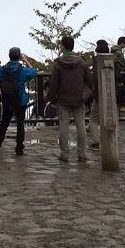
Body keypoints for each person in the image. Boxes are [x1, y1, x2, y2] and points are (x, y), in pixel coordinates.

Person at [48, 35, 92, 163]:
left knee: (64, 126)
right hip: (79, 98)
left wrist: (52, 99)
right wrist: (85, 95)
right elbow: (89, 81)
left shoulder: (58, 63)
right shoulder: (81, 63)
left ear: (62, 47)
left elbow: (54, 83)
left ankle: (64, 154)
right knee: (81, 125)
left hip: (63, 99)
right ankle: (82, 153)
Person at [0, 47, 38, 156]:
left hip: (7, 99)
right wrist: (26, 60)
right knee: (20, 124)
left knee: (4, 123)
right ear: (19, 56)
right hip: (20, 99)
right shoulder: (23, 70)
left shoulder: (3, 69)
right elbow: (34, 72)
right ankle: (19, 149)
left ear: (9, 56)